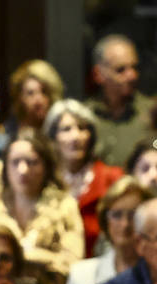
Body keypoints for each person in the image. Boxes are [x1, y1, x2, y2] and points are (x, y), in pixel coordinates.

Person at [0, 128, 85, 281]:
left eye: (32, 162)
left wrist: (20, 255)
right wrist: (40, 257)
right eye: (15, 162)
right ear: (6, 166)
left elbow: (73, 263)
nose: (23, 170)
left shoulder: (64, 206)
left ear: (46, 166)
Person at [46, 99, 124, 256]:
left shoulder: (112, 178)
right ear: (53, 138)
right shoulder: (44, 182)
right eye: (66, 129)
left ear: (91, 136)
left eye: (82, 128)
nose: (75, 136)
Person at [85, 36, 153, 168]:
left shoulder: (151, 113)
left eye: (134, 68)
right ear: (98, 74)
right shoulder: (84, 117)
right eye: (121, 69)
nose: (132, 75)